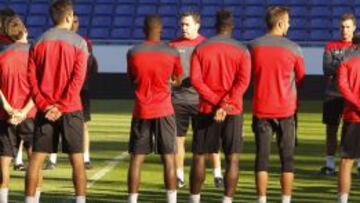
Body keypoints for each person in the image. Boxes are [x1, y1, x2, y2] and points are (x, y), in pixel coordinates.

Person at [25, 0, 88, 202]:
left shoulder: (37, 42)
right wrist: (61, 105)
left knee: (36, 159)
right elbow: (78, 80)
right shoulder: (79, 42)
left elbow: (31, 79)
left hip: (45, 110)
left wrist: (44, 105)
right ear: (69, 17)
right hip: (71, 109)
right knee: (77, 159)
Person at [189, 9, 251, 203]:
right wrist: (225, 104)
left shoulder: (200, 48)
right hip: (233, 110)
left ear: (215, 26)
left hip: (207, 109)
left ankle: (194, 199)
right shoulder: (242, 50)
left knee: (199, 156)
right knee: (232, 157)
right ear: (231, 27)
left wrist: (216, 103)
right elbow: (243, 82)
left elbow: (196, 81)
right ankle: (227, 200)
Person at [248, 6, 305, 203]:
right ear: (280, 23)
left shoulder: (253, 46)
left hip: (261, 109)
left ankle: (261, 199)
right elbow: (300, 77)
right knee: (287, 159)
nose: (289, 24)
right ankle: (285, 200)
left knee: (261, 158)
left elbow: (248, 75)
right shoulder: (294, 48)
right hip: (286, 110)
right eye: (288, 21)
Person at [126, 14, 183, 203]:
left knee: (137, 158)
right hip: (164, 110)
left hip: (142, 109)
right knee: (168, 158)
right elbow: (177, 79)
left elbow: (132, 79)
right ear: (161, 30)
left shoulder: (133, 52)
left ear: (144, 29)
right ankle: (171, 200)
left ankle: (132, 200)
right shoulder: (172, 52)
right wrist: (169, 82)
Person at [169, 11, 223, 188]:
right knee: (178, 139)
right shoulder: (172, 45)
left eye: (187, 24)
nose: (184, 28)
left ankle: (217, 173)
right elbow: (167, 72)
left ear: (197, 26)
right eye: (182, 24)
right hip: (178, 100)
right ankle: (179, 175)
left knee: (210, 139)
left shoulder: (206, 45)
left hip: (202, 101)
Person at [43, 12, 98, 170]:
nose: (74, 23)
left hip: (81, 90)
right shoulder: (55, 40)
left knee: (84, 124)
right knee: (53, 122)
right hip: (59, 89)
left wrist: (85, 80)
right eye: (72, 20)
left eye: (77, 21)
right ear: (67, 20)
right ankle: (52, 159)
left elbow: (92, 65)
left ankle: (85, 157)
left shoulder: (84, 41)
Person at [0, 15, 36, 203]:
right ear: (25, 31)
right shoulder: (34, 54)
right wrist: (24, 111)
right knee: (35, 162)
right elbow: (40, 88)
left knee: (4, 163)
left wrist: (6, 106)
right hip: (30, 114)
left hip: (6, 116)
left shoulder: (2, 55)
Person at [320, 13, 358, 175]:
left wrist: (340, 64)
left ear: (354, 28)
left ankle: (358, 163)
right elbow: (327, 68)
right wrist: (347, 66)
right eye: (342, 27)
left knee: (355, 129)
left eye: (348, 27)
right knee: (331, 130)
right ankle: (330, 165)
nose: (345, 30)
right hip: (333, 94)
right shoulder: (330, 45)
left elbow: (335, 67)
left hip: (353, 94)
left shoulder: (357, 46)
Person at [337, 32, 360, 203]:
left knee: (346, 162)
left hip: (352, 117)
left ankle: (342, 200)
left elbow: (344, 89)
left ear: (354, 46)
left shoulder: (345, 65)